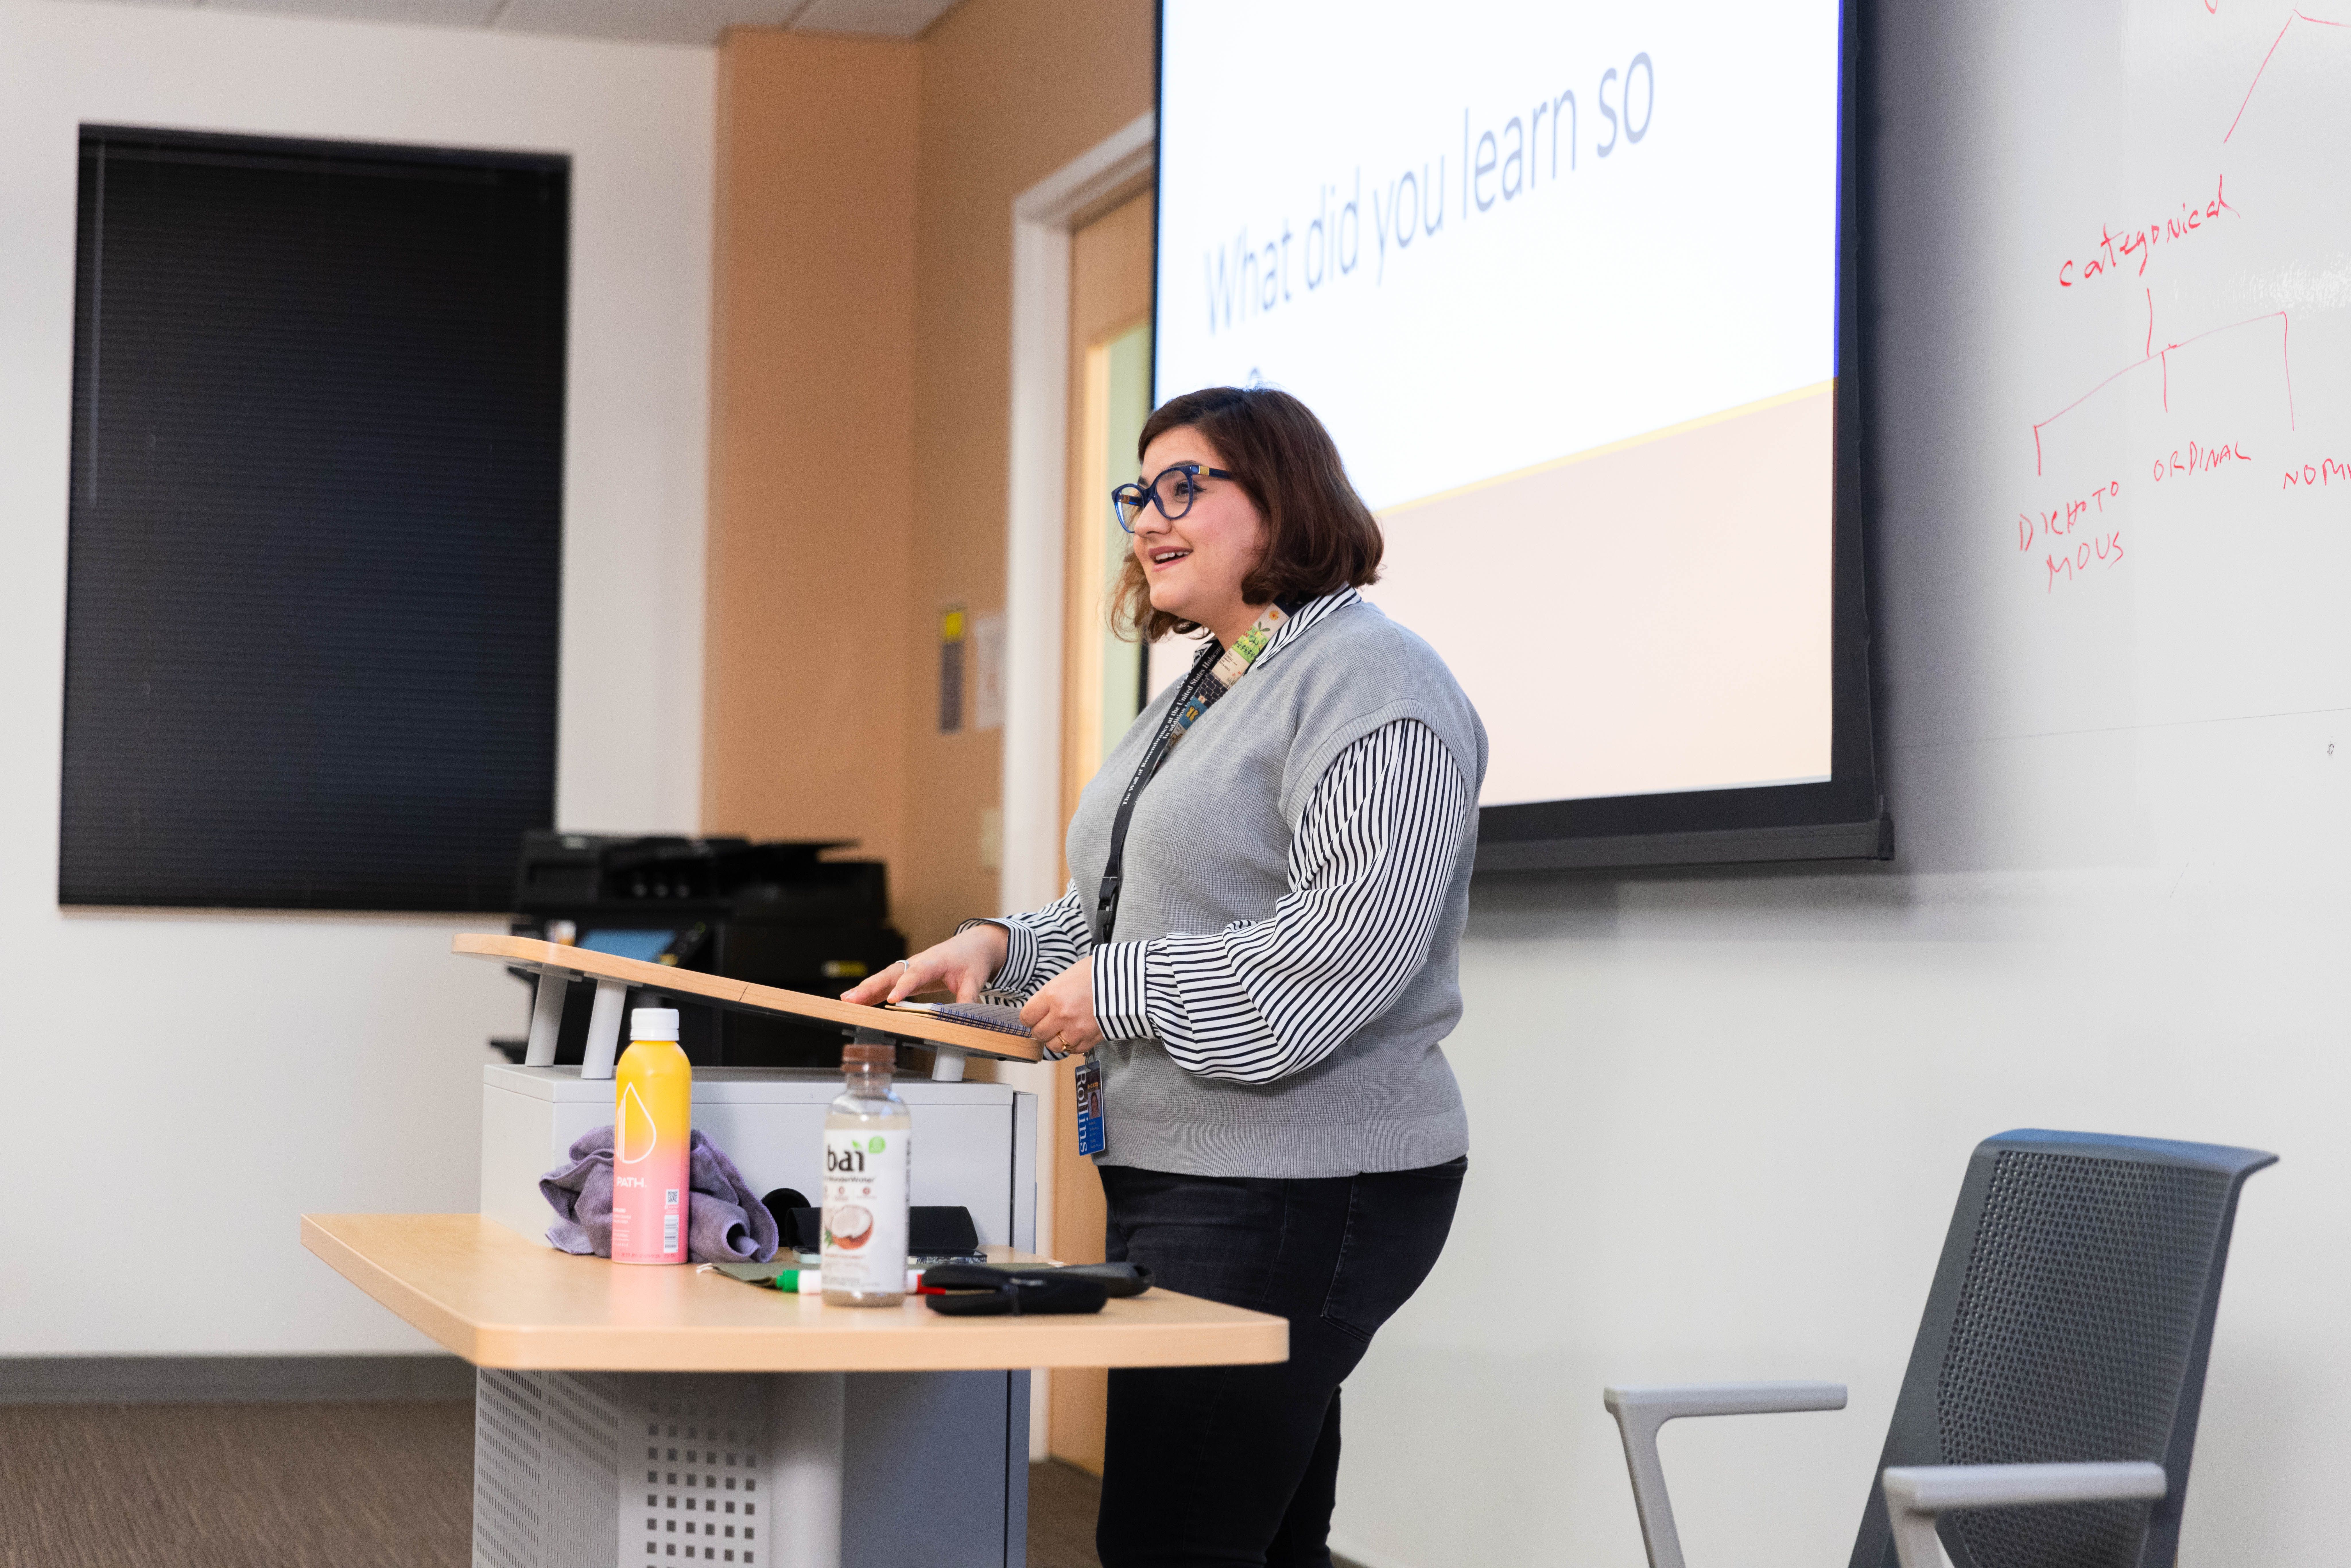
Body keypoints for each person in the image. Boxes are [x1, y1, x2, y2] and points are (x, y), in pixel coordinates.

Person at [845, 385, 1483, 1568]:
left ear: (1282, 498)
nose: (1148, 515)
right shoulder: (1206, 684)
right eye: (1138, 490)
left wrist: (1118, 987)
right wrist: (998, 945)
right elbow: (1124, 906)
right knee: (1259, 1535)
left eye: (1186, 484)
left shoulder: (1371, 680)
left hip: (1302, 1182)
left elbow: (1346, 946)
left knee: (1169, 1542)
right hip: (1187, 1170)